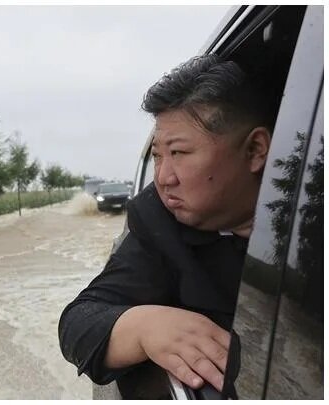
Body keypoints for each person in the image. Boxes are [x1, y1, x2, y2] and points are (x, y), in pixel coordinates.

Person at [58, 54, 274, 393]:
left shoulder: (309, 226)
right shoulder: (158, 221)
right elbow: (78, 324)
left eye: (179, 154)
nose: (162, 178)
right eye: (158, 156)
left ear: (255, 150)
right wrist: (143, 326)